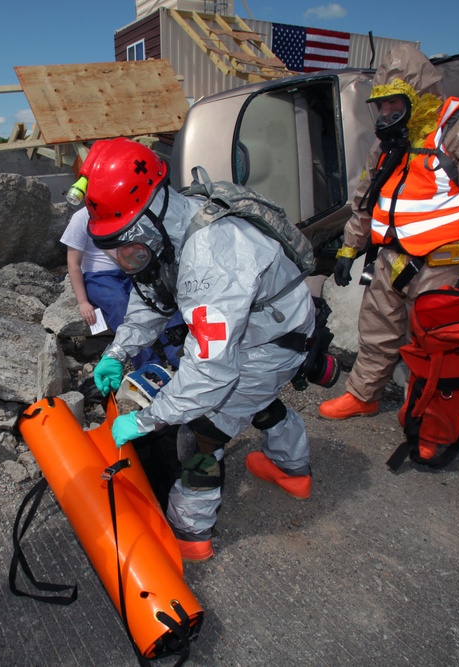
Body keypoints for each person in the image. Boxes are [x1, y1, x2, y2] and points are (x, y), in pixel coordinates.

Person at [80, 137, 317, 563]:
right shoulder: (170, 225)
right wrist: (118, 352)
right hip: (256, 329)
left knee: (200, 435)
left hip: (272, 340)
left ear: (150, 209)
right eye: (112, 245)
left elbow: (211, 369)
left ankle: (190, 535)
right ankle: (291, 468)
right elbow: (153, 298)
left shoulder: (210, 255)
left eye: (124, 242)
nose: (121, 256)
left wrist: (151, 419)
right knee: (249, 400)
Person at [319, 44, 459, 420]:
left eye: (396, 104)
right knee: (376, 331)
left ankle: (425, 415)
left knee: (432, 345)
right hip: (392, 258)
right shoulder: (389, 144)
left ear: (419, 97)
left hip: (444, 263)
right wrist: (348, 249)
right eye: (382, 105)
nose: (387, 113)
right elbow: (366, 198)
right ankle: (363, 395)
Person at [61, 205, 182, 370]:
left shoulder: (123, 208)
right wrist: (83, 302)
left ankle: (180, 354)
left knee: (161, 295)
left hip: (131, 268)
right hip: (98, 276)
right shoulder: (81, 218)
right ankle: (148, 366)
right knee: (120, 303)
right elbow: (73, 264)